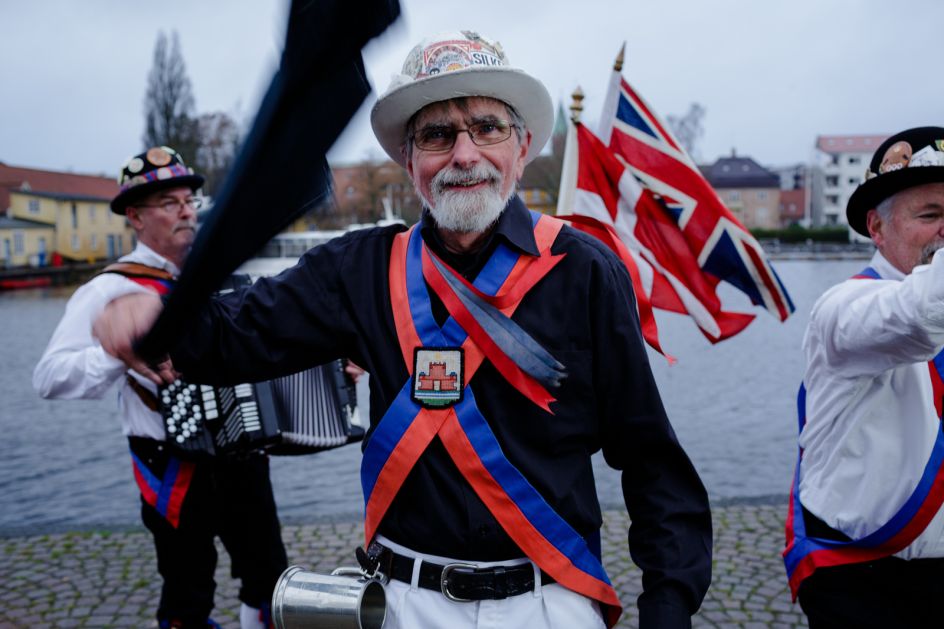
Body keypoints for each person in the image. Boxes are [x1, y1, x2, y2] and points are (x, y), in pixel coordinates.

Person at [93, 32, 711, 629]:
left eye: (487, 128)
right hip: (402, 604)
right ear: (409, 161)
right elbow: (231, 336)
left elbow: (651, 460)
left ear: (522, 149)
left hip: (550, 602)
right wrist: (156, 315)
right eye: (437, 135)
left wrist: (667, 604)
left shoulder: (585, 271)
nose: (464, 154)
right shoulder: (356, 269)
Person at [33, 146, 288, 629]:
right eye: (169, 203)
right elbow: (49, 377)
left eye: (189, 200)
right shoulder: (108, 290)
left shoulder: (222, 275)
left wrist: (335, 365)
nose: (187, 210)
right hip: (170, 463)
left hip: (245, 452)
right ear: (135, 215)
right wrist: (116, 351)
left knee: (270, 577)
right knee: (188, 589)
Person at [783, 127, 944, 627]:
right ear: (877, 227)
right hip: (859, 576)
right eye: (931, 215)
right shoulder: (844, 309)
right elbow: (920, 317)